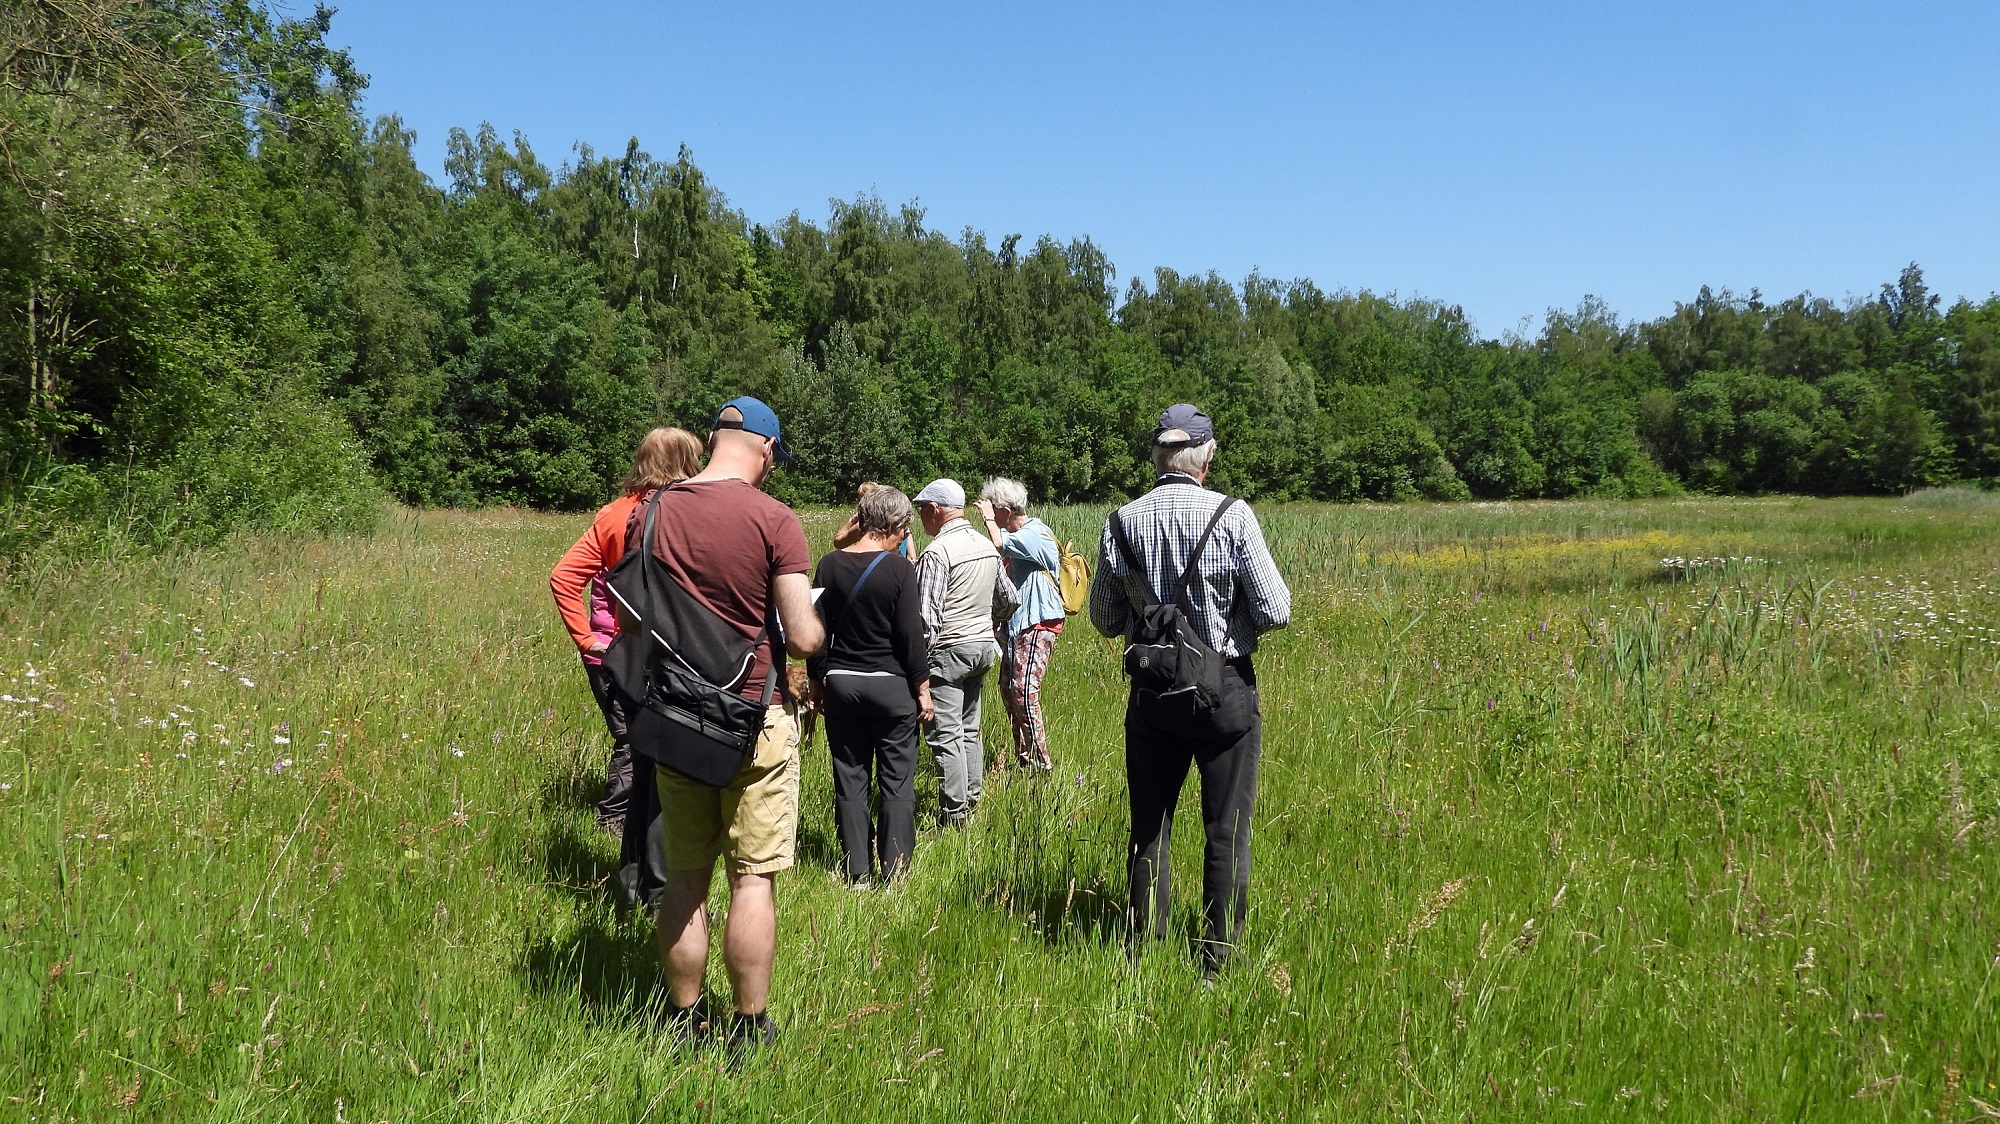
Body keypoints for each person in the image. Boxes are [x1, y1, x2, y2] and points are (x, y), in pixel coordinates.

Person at [643, 397, 823, 1057]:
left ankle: (681, 1022)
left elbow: (633, 617)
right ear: (767, 449)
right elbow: (801, 636)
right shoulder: (775, 519)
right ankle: (748, 1028)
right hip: (754, 718)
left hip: (676, 717)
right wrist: (821, 628)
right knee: (751, 880)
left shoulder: (654, 511)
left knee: (686, 877)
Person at [1090, 404, 1291, 976]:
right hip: (1223, 688)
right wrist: (1227, 624)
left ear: (1158, 457)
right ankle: (1215, 962)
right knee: (1226, 829)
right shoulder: (1233, 516)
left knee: (1150, 825)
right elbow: (1276, 610)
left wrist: (1148, 614)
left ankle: (1143, 955)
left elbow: (1104, 618)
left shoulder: (1121, 522)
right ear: (1206, 457)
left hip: (1154, 692)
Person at [548, 427, 703, 836]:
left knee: (638, 738)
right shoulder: (678, 515)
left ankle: (639, 825)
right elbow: (563, 578)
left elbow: (564, 576)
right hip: (640, 650)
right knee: (636, 740)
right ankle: (616, 821)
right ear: (683, 464)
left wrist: (588, 642)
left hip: (611, 650)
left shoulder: (613, 513)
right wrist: (588, 640)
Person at [808, 485, 932, 885]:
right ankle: (895, 873)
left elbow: (815, 629)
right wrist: (923, 688)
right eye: (904, 529)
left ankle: (856, 872)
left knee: (850, 778)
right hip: (891, 688)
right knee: (896, 782)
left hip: (842, 684)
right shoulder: (900, 570)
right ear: (892, 525)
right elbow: (910, 635)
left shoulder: (829, 564)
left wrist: (817, 678)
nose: (905, 536)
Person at [912, 478, 1001, 826]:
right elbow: (1008, 598)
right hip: (982, 646)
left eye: (923, 510)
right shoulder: (986, 545)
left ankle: (954, 813)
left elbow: (926, 621)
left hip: (949, 650)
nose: (921, 516)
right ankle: (971, 800)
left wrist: (917, 667)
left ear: (935, 510)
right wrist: (986, 622)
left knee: (946, 734)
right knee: (969, 729)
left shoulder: (937, 553)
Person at [974, 477, 1066, 772]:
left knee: (1024, 691)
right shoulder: (1018, 536)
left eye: (992, 509)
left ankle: (1041, 764)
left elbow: (999, 543)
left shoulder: (1034, 533)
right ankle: (1024, 760)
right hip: (1016, 625)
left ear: (1004, 510)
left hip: (1038, 621)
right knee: (1009, 690)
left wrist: (989, 521)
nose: (988, 515)